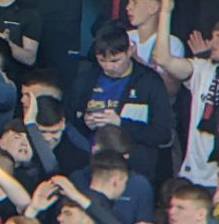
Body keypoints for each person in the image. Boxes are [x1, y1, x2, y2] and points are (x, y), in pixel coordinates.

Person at [68, 26, 172, 180]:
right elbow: (69, 120)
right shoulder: (86, 79)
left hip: (134, 169)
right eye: (102, 60)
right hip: (92, 166)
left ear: (130, 51)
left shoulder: (149, 82)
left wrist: (121, 123)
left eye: (115, 60)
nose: (109, 66)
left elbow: (163, 134)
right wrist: (84, 123)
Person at [152, 0, 219, 187]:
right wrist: (165, 12)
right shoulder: (202, 69)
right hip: (192, 174)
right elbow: (163, 58)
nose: (213, 43)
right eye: (214, 36)